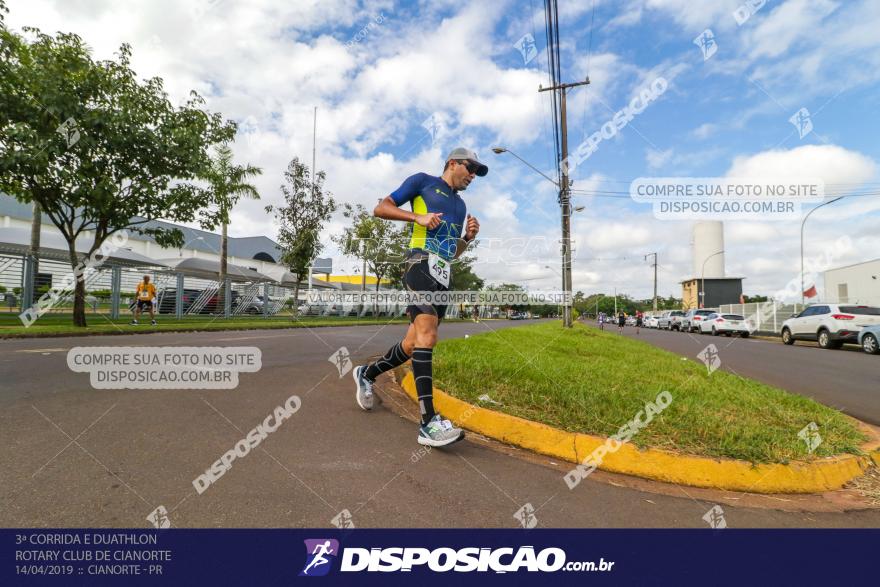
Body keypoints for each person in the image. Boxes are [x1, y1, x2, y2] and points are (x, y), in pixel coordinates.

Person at [352, 147, 486, 447]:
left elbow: (452, 253)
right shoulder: (422, 181)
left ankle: (367, 373)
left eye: (477, 172)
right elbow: (381, 208)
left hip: (442, 270)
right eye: (471, 168)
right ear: (453, 163)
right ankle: (428, 423)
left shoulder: (461, 206)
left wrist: (467, 239)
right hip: (420, 263)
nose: (473, 176)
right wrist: (418, 217)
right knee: (428, 337)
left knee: (414, 343)